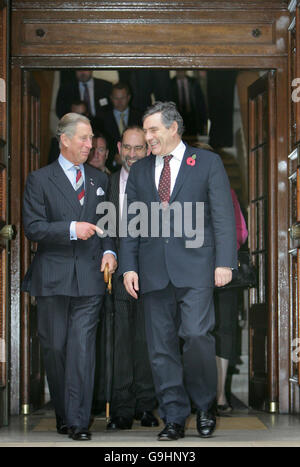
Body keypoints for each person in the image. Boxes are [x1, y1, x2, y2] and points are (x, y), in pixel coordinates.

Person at [119, 101, 237, 441]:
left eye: (154, 129)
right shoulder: (141, 171)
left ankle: (204, 407)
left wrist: (224, 262)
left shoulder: (207, 163)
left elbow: (223, 217)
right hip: (153, 271)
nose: (148, 136)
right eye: (145, 130)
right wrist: (129, 266)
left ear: (173, 128)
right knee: (160, 347)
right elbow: (131, 224)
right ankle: (172, 415)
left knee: (198, 336)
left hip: (198, 269)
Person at [22, 113, 117, 441]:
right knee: (55, 348)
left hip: (90, 278)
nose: (91, 146)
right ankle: (64, 412)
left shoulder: (100, 180)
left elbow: (108, 226)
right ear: (64, 139)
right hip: (52, 278)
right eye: (84, 139)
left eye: (91, 140)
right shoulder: (39, 179)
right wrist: (71, 229)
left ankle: (78, 421)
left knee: (81, 347)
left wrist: (110, 251)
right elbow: (32, 227)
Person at [105, 126, 158, 431]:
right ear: (119, 148)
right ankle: (122, 409)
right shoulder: (108, 183)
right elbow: (104, 228)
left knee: (147, 341)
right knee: (122, 342)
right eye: (128, 148)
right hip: (121, 273)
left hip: (152, 274)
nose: (133, 154)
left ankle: (147, 406)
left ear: (148, 150)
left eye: (139, 148)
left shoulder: (158, 182)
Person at [214, 188, 248, 415]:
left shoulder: (227, 192)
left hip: (223, 270)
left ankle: (220, 394)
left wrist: (223, 255)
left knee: (224, 330)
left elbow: (241, 232)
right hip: (188, 271)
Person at [98, 82, 143, 171]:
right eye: (116, 98)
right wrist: (113, 158)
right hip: (111, 167)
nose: (119, 102)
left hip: (137, 166)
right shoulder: (102, 118)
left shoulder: (139, 116)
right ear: (111, 98)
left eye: (122, 98)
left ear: (128, 97)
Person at [171, 71, 207, 136]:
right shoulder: (170, 83)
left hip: (192, 119)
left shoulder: (194, 82)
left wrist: (203, 122)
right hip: (177, 120)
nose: (180, 72)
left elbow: (201, 103)